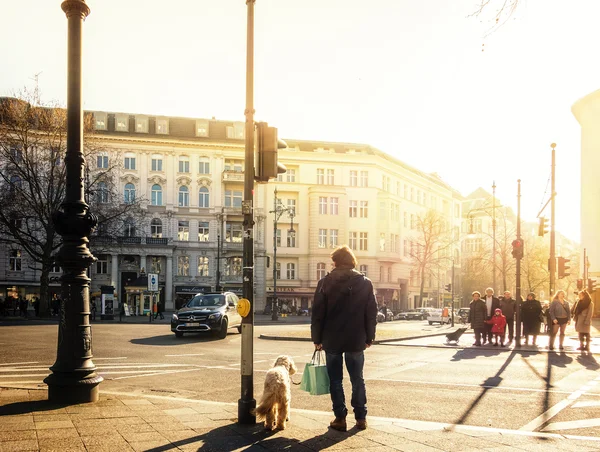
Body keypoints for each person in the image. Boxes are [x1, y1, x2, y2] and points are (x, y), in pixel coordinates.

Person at [311, 245, 378, 432]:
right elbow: (371, 313)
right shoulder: (365, 283)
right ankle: (361, 418)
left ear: (335, 262)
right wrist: (369, 336)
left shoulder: (325, 283)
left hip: (331, 338)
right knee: (357, 379)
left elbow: (317, 313)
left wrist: (317, 338)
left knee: (335, 380)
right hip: (356, 338)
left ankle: (340, 418)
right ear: (352, 261)